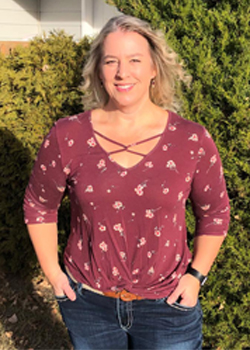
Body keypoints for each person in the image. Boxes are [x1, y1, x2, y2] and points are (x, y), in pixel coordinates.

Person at [24, 15, 230, 350]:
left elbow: (215, 212)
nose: (123, 72)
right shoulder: (68, 135)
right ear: (98, 70)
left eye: (135, 60)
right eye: (111, 61)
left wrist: (196, 277)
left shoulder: (190, 139)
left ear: (154, 69)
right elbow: (39, 204)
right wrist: (53, 272)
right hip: (88, 303)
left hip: (168, 306)